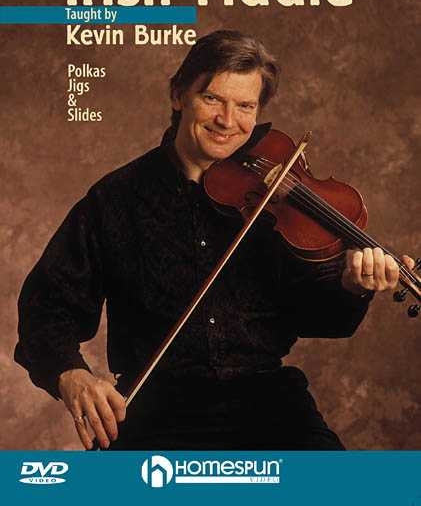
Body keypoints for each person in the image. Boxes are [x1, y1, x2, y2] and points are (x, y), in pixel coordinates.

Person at [15, 30, 413, 451]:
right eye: (212, 99)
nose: (227, 120)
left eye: (245, 106)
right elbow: (48, 306)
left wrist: (351, 286)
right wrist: (70, 374)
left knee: (339, 484)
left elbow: (317, 318)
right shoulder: (116, 198)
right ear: (178, 96)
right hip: (154, 408)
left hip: (268, 401)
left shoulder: (275, 199)